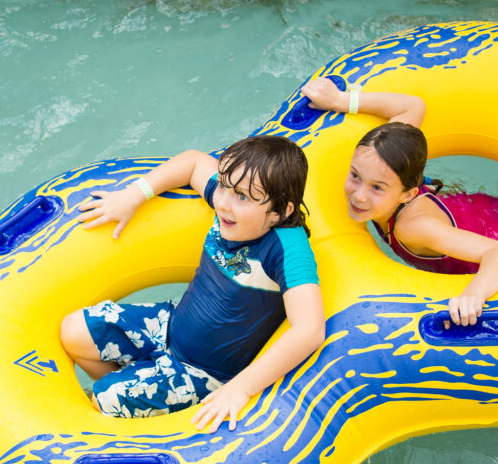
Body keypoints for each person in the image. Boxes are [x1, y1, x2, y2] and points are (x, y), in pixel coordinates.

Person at [59, 135, 325, 433]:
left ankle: (126, 398)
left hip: (204, 372)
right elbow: (193, 161)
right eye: (224, 186)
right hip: (171, 325)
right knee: (73, 332)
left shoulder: (286, 248)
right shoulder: (229, 205)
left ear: (281, 211)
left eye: (243, 197)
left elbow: (310, 329)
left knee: (104, 399)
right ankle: (137, 382)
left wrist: (242, 388)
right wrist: (133, 195)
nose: (223, 203)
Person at [303, 77, 498, 329]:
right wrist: (339, 101)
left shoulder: (414, 227)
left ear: (407, 194)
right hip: (473, 211)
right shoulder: (391, 157)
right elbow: (412, 107)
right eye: (356, 176)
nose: (359, 196)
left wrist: (473, 295)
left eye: (377, 187)